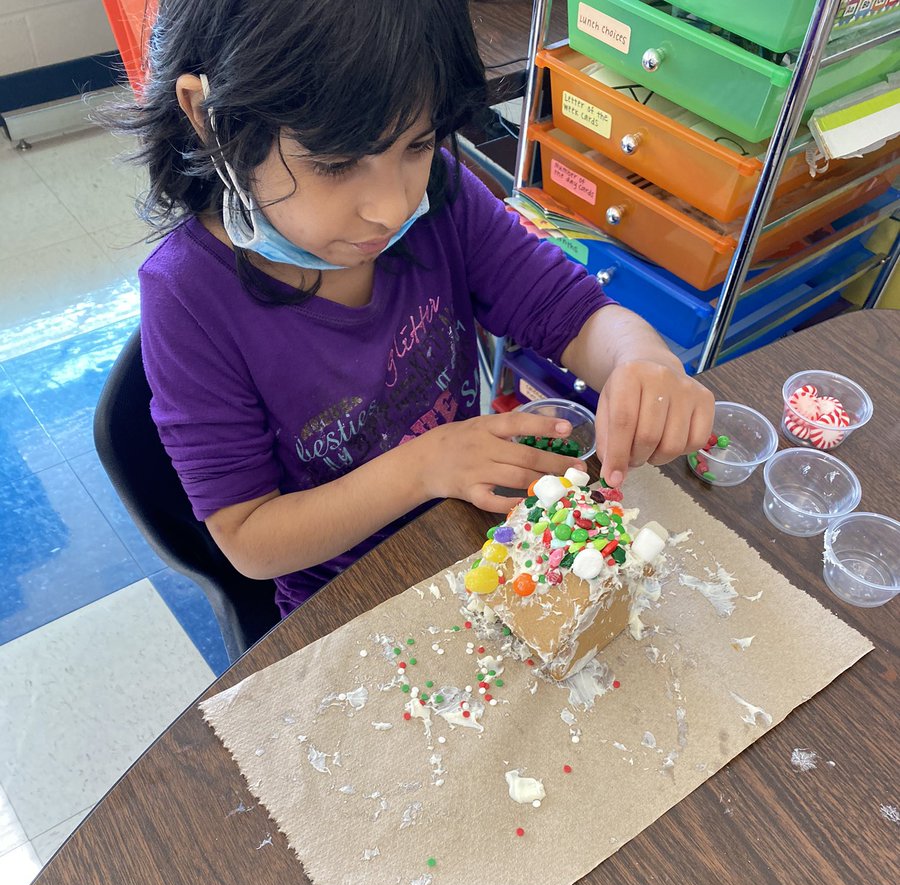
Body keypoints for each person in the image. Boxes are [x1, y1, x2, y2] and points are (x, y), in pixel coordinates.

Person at [122, 0, 713, 618]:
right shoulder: (188, 300)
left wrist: (640, 358)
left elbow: (566, 308)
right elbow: (250, 538)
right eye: (335, 162)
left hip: (471, 534)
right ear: (209, 117)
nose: (391, 206)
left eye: (418, 142)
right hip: (347, 597)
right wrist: (422, 469)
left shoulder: (440, 199)